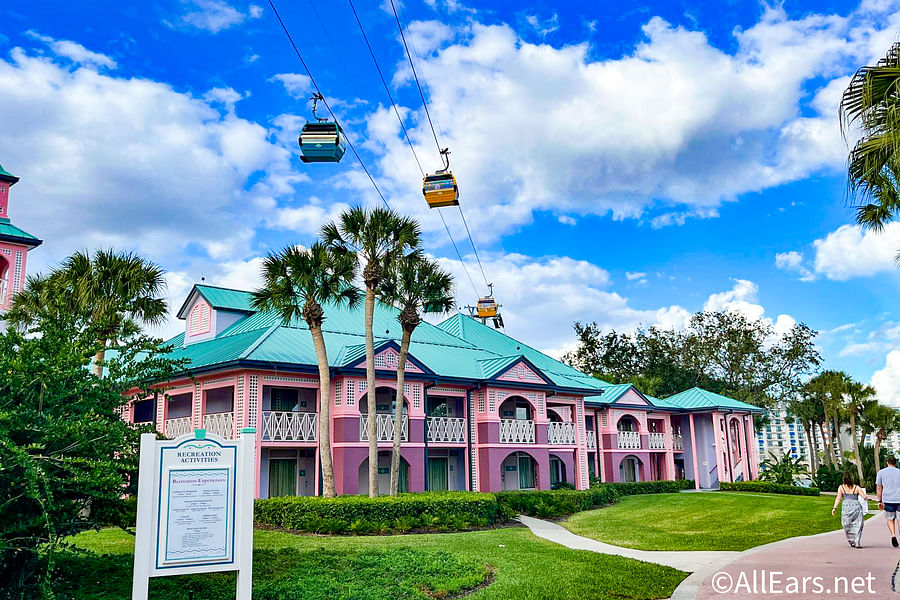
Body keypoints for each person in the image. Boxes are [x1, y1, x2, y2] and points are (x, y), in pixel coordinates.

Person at [832, 472, 867, 548]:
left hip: (846, 507)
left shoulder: (841, 487)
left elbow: (838, 498)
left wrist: (835, 508)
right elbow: (864, 497)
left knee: (847, 524)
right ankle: (857, 540)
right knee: (858, 524)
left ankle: (851, 540)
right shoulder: (856, 487)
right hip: (856, 507)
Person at [877, 455, 900, 547]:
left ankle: (893, 535)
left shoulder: (881, 473)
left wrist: (879, 500)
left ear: (887, 462)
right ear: (895, 463)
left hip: (888, 499)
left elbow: (879, 487)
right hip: (899, 499)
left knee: (890, 519)